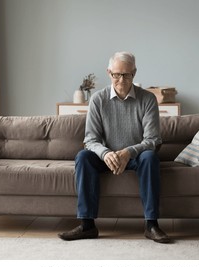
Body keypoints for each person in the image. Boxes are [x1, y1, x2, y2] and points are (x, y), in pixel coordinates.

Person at [58, 51, 170, 243]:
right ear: (109, 73)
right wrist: (106, 153)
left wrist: (128, 152)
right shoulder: (97, 100)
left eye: (127, 74)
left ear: (134, 73)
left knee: (150, 157)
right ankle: (87, 225)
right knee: (83, 156)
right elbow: (90, 139)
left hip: (136, 156)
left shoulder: (148, 99)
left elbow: (152, 140)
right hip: (106, 156)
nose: (121, 79)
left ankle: (151, 225)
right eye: (116, 74)